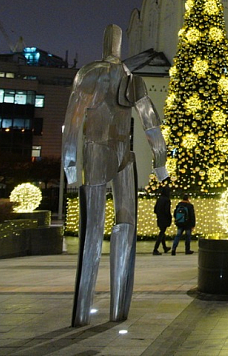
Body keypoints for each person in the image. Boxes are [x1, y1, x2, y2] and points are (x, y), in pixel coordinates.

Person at [62, 25, 168, 327]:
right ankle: (117, 307)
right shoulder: (131, 78)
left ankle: (83, 311)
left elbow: (73, 123)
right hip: (124, 155)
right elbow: (151, 124)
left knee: (93, 231)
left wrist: (71, 169)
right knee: (124, 226)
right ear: (120, 45)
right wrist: (160, 166)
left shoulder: (91, 73)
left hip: (97, 152)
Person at [152, 186, 172, 255]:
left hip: (159, 218)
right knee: (161, 233)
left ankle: (164, 247)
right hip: (164, 218)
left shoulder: (159, 199)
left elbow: (155, 209)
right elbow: (167, 211)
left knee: (162, 232)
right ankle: (155, 249)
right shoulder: (167, 200)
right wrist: (170, 218)